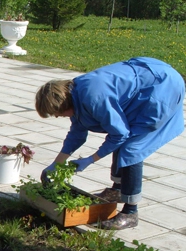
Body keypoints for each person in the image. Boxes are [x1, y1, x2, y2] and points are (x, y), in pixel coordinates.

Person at [35, 57, 185, 230]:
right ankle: (118, 190)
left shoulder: (93, 98)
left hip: (162, 89)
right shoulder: (74, 94)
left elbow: (119, 134)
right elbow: (77, 133)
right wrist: (56, 164)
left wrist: (90, 159)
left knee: (131, 149)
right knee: (123, 138)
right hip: (148, 79)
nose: (57, 117)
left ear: (63, 104)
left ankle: (130, 212)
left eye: (57, 113)